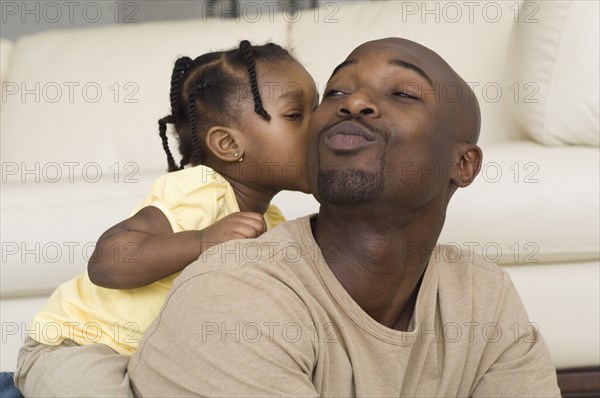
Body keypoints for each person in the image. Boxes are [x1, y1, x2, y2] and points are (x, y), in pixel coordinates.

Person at [128, 37, 561, 397]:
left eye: (403, 93)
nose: (353, 101)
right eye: (335, 92)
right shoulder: (231, 296)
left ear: (463, 165)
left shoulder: (482, 294)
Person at [12, 40, 318, 397]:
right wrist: (202, 241)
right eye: (296, 115)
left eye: (320, 108)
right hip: (81, 346)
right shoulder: (201, 191)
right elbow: (108, 260)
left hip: (155, 361)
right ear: (228, 144)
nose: (321, 126)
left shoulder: (273, 221)